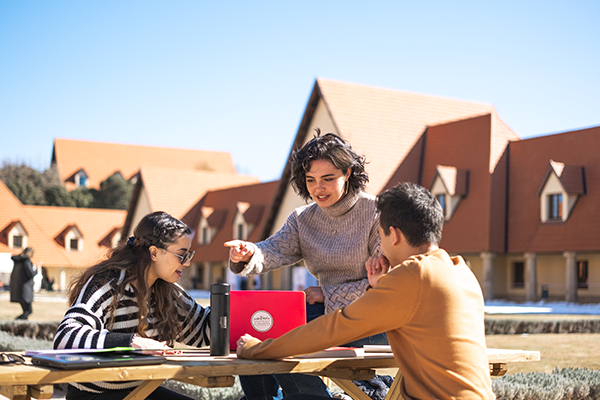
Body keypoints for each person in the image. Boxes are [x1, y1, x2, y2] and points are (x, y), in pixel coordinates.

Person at [237, 182, 495, 400]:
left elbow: (333, 328)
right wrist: (382, 286)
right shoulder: (460, 270)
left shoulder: (412, 276)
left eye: (380, 236)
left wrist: (257, 349)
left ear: (393, 235)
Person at [224, 130, 387, 400]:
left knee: (289, 340)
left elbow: (384, 282)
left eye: (327, 179)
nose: (318, 188)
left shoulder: (376, 212)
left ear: (347, 173)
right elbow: (273, 250)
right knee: (258, 331)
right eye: (310, 180)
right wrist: (249, 253)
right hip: (327, 316)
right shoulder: (302, 219)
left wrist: (329, 293)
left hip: (374, 319)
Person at [54, 211, 210, 400]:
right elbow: (65, 338)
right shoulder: (106, 284)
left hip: (139, 391)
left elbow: (204, 332)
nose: (188, 262)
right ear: (154, 252)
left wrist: (233, 302)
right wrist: (130, 342)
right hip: (93, 394)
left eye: (189, 254)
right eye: (181, 255)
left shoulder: (167, 291)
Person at [10, 247, 37, 320]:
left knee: (25, 311)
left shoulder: (18, 261)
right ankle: (15, 322)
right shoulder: (26, 261)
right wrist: (37, 269)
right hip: (25, 291)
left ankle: (22, 326)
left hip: (19, 289)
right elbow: (31, 274)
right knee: (29, 311)